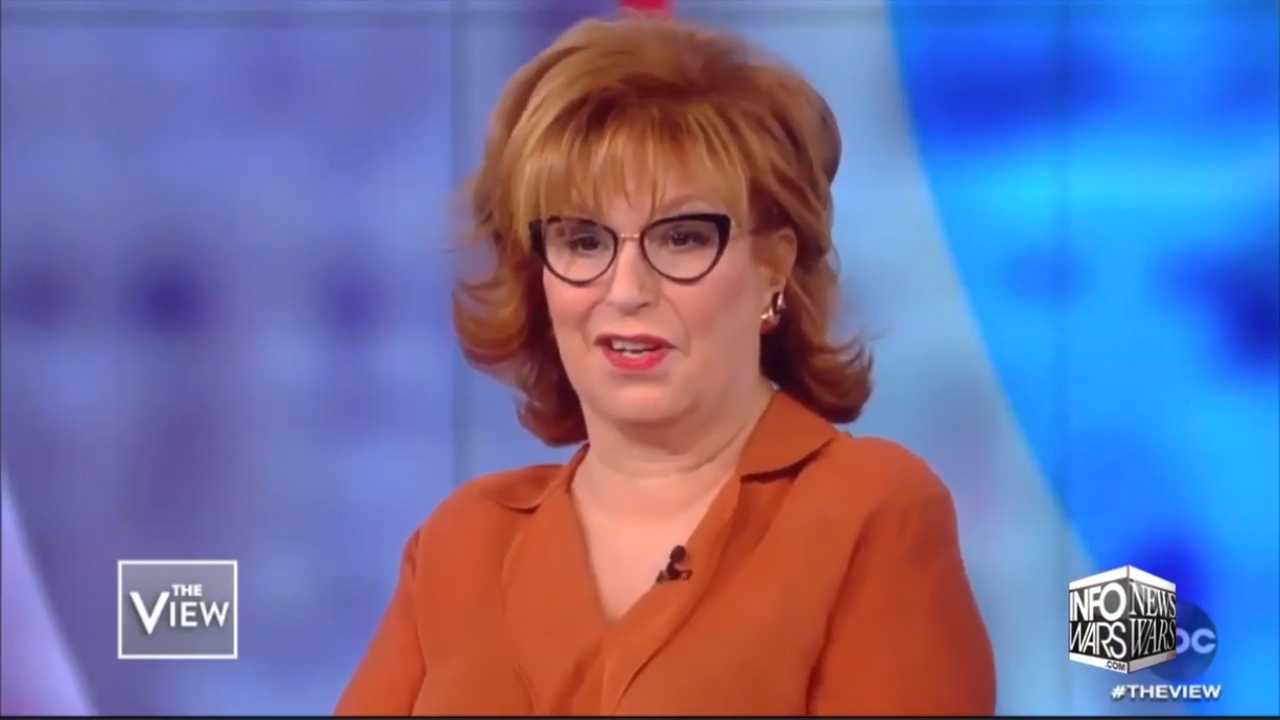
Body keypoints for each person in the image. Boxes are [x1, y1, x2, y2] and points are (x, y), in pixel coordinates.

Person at [336, 13, 995, 717]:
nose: (626, 290)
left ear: (772, 266)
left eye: (681, 238)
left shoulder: (871, 513)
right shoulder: (463, 542)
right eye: (584, 241)